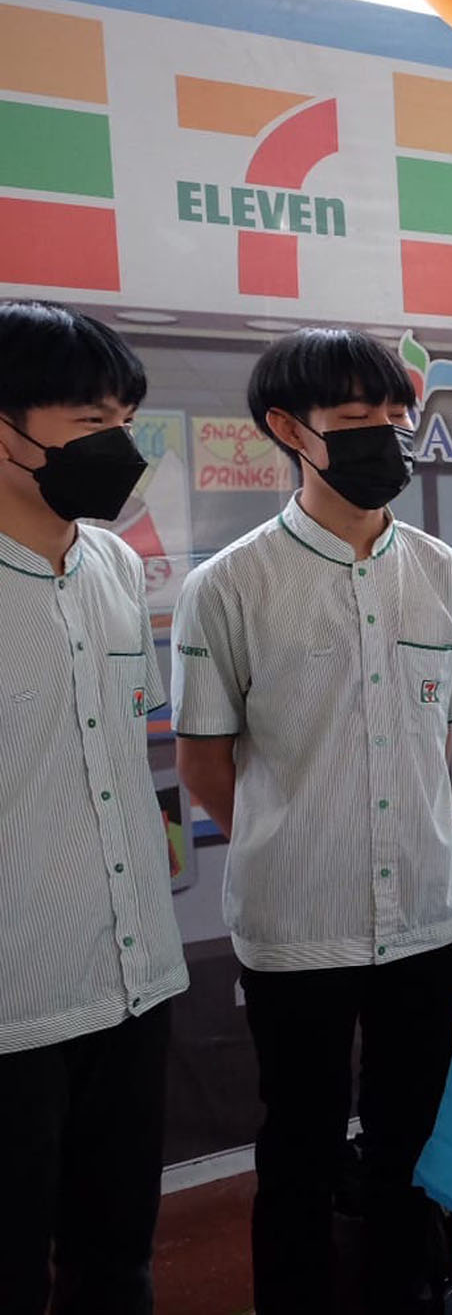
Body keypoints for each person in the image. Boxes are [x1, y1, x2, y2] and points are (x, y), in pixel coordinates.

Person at [172, 327, 452, 1315]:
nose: (383, 440)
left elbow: (437, 739)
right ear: (285, 430)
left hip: (430, 915)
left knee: (413, 1145)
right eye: (355, 423)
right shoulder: (225, 586)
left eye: (396, 420)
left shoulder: (437, 569)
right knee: (299, 1150)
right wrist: (295, 829)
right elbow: (205, 762)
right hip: (296, 923)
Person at [0, 300, 187, 1314]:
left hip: (133, 981)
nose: (117, 447)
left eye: (125, 420)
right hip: (11, 1008)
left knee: (118, 1262)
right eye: (88, 424)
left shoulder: (117, 568)